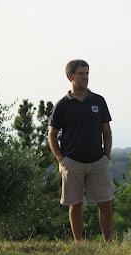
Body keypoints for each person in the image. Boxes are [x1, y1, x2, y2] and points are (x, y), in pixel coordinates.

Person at [48, 59, 114, 242]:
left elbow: (106, 131)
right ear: (70, 76)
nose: (85, 77)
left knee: (106, 204)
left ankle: (108, 243)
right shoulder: (62, 105)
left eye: (87, 73)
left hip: (97, 161)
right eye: (81, 73)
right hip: (72, 162)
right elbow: (51, 135)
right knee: (75, 205)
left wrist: (106, 156)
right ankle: (79, 244)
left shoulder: (98, 101)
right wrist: (61, 160)